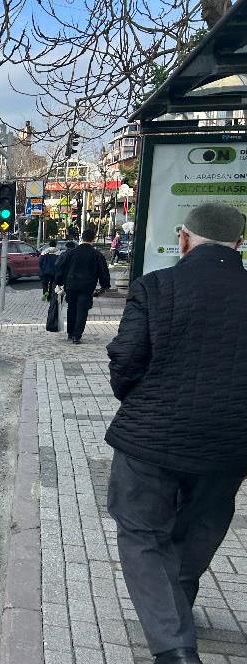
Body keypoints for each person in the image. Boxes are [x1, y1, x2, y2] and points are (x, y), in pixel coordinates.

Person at [105, 203, 247, 664]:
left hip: (152, 438)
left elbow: (126, 359)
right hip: (230, 443)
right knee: (200, 526)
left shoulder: (156, 286)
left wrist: (137, 399)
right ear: (239, 245)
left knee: (142, 533)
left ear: (184, 240)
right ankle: (175, 609)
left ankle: (174, 648)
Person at [55, 228, 110, 344]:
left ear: (82, 238)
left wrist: (59, 282)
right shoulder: (96, 254)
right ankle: (77, 335)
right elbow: (103, 271)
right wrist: (104, 286)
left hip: (71, 285)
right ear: (93, 238)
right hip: (87, 287)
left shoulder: (71, 253)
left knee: (72, 309)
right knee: (82, 310)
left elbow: (60, 267)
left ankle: (70, 333)